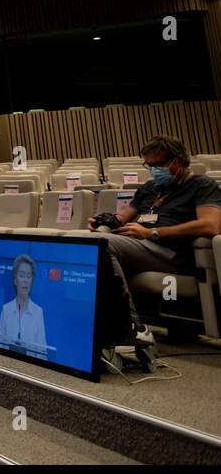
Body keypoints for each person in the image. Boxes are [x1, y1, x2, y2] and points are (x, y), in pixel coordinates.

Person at [87, 135, 221, 347]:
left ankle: (133, 326)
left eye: (157, 165)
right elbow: (122, 218)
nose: (152, 171)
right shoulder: (148, 189)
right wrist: (103, 222)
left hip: (170, 252)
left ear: (177, 161)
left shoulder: (202, 186)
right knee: (88, 241)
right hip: (138, 247)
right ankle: (94, 322)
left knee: (104, 245)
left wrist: (153, 233)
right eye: (148, 166)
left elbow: (210, 225)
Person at [0, 253, 47, 360]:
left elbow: (43, 354)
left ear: (32, 281)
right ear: (15, 280)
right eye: (22, 275)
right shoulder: (6, 310)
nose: (25, 280)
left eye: (28, 276)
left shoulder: (38, 312)